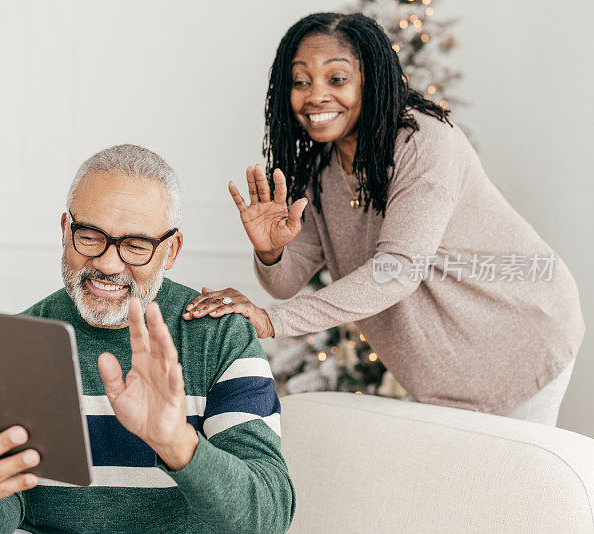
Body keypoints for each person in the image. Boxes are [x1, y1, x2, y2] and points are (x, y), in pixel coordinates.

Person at [184, 12, 585, 425]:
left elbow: (396, 271)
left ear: (371, 80)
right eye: (301, 81)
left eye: (337, 80)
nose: (315, 95)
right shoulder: (322, 168)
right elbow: (285, 283)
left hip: (521, 336)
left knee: (513, 483)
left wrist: (271, 322)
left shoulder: (425, 143)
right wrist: (270, 252)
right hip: (444, 373)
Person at [0, 144, 294, 534]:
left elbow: (267, 516)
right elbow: (4, 501)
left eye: (136, 246)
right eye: (89, 236)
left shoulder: (221, 335)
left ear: (171, 251)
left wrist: (178, 444)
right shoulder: (16, 343)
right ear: (65, 230)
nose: (107, 263)